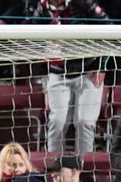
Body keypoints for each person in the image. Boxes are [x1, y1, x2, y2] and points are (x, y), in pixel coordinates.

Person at [25, 0, 111, 155]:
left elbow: (110, 31)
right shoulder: (40, 9)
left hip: (88, 71)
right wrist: (44, 83)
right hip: (57, 73)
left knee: (85, 122)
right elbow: (33, 46)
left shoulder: (85, 3)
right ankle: (55, 169)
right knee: (57, 122)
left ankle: (84, 169)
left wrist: (101, 66)